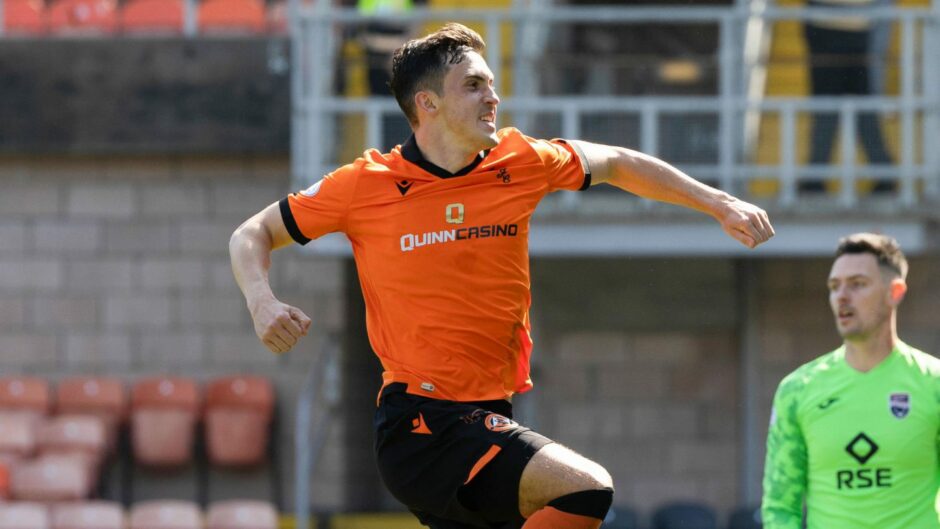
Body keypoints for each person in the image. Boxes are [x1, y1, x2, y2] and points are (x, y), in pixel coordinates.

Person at [230, 23, 774, 529]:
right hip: (422, 423)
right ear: (428, 103)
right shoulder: (364, 184)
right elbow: (250, 234)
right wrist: (262, 302)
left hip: (489, 411)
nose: (493, 97)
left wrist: (720, 203)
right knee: (585, 490)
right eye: (473, 86)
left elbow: (615, 162)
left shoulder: (521, 160)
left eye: (491, 84)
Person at [762, 233, 940, 529]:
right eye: (834, 287)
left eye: (858, 284)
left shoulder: (933, 384)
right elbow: (780, 507)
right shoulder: (797, 390)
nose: (842, 296)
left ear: (894, 292)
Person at [802, 0, 896, 193]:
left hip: (835, 25)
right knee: (856, 108)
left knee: (835, 108)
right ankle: (884, 174)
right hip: (855, 24)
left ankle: (815, 177)